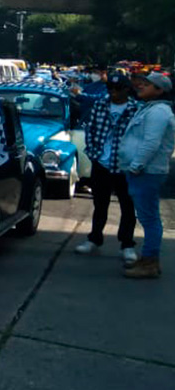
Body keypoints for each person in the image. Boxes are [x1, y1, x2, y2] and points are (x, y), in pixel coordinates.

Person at [74, 72, 139, 262]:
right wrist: (94, 153)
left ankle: (127, 244)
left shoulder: (136, 109)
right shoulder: (100, 105)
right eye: (110, 88)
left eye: (118, 89)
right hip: (101, 163)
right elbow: (90, 129)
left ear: (127, 89)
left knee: (128, 206)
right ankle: (94, 239)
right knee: (99, 204)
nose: (113, 92)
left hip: (124, 165)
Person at [117, 71, 175, 278]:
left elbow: (151, 143)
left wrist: (136, 165)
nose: (140, 86)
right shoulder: (150, 109)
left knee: (150, 219)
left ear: (159, 90)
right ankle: (149, 259)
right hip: (143, 170)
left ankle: (150, 262)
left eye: (147, 84)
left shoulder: (158, 112)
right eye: (141, 83)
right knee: (148, 217)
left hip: (146, 171)